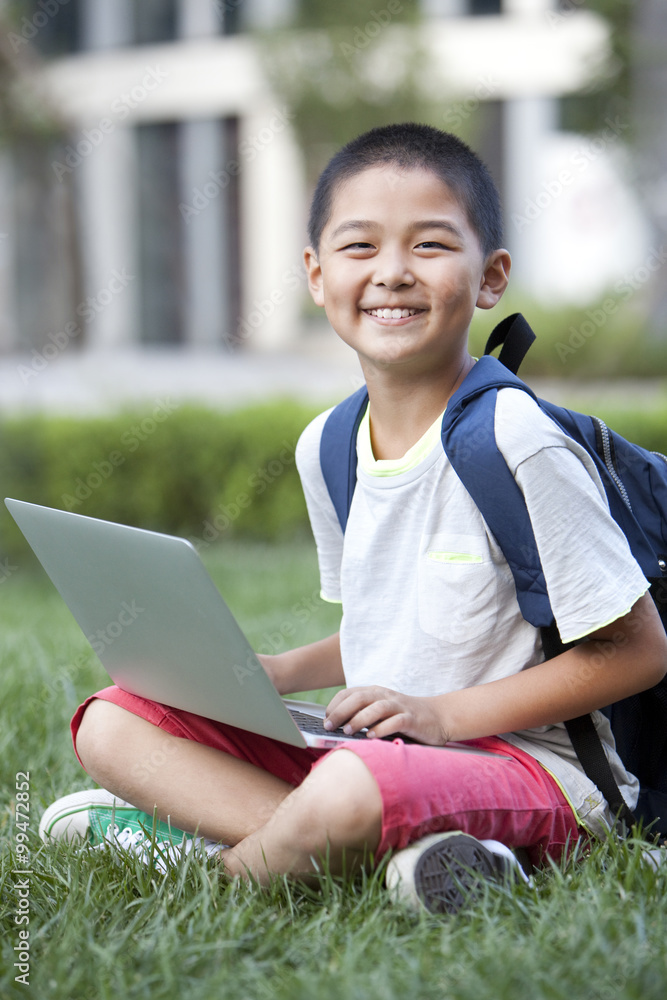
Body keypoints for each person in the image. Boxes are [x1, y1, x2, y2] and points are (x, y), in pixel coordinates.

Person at [40, 123, 667, 913]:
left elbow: (635, 652)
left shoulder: (513, 440)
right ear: (315, 273)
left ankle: (214, 867)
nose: (393, 273)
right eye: (359, 247)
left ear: (490, 278)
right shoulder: (329, 445)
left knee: (345, 790)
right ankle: (419, 860)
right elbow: (399, 615)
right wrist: (273, 675)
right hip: (385, 753)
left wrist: (443, 716)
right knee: (111, 723)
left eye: (431, 245)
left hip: (537, 772)